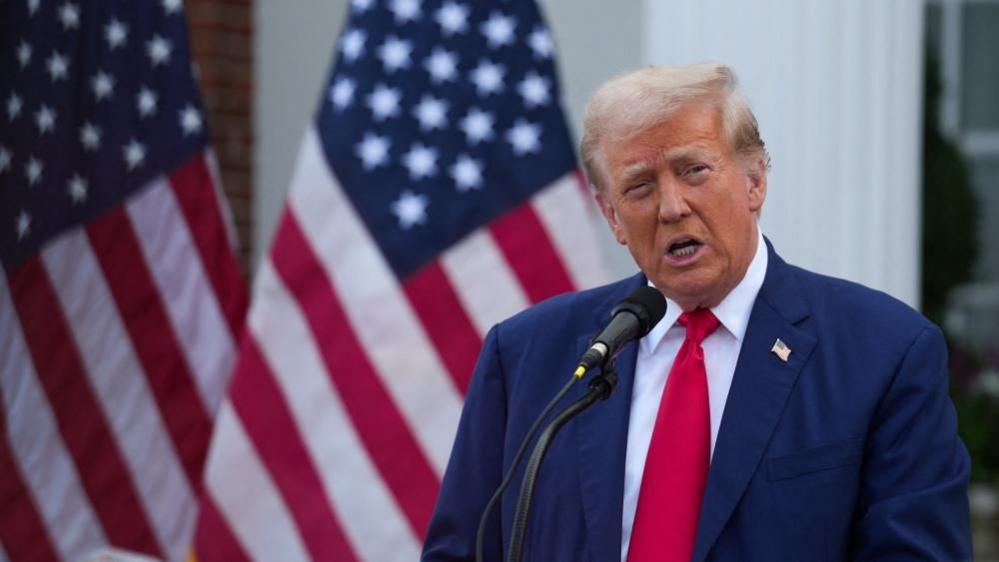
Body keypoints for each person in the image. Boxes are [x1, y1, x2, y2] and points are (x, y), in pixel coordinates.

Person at [421, 63, 972, 562]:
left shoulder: (884, 352)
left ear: (755, 180)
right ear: (612, 217)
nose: (671, 206)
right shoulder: (527, 357)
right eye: (639, 187)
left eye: (694, 171)